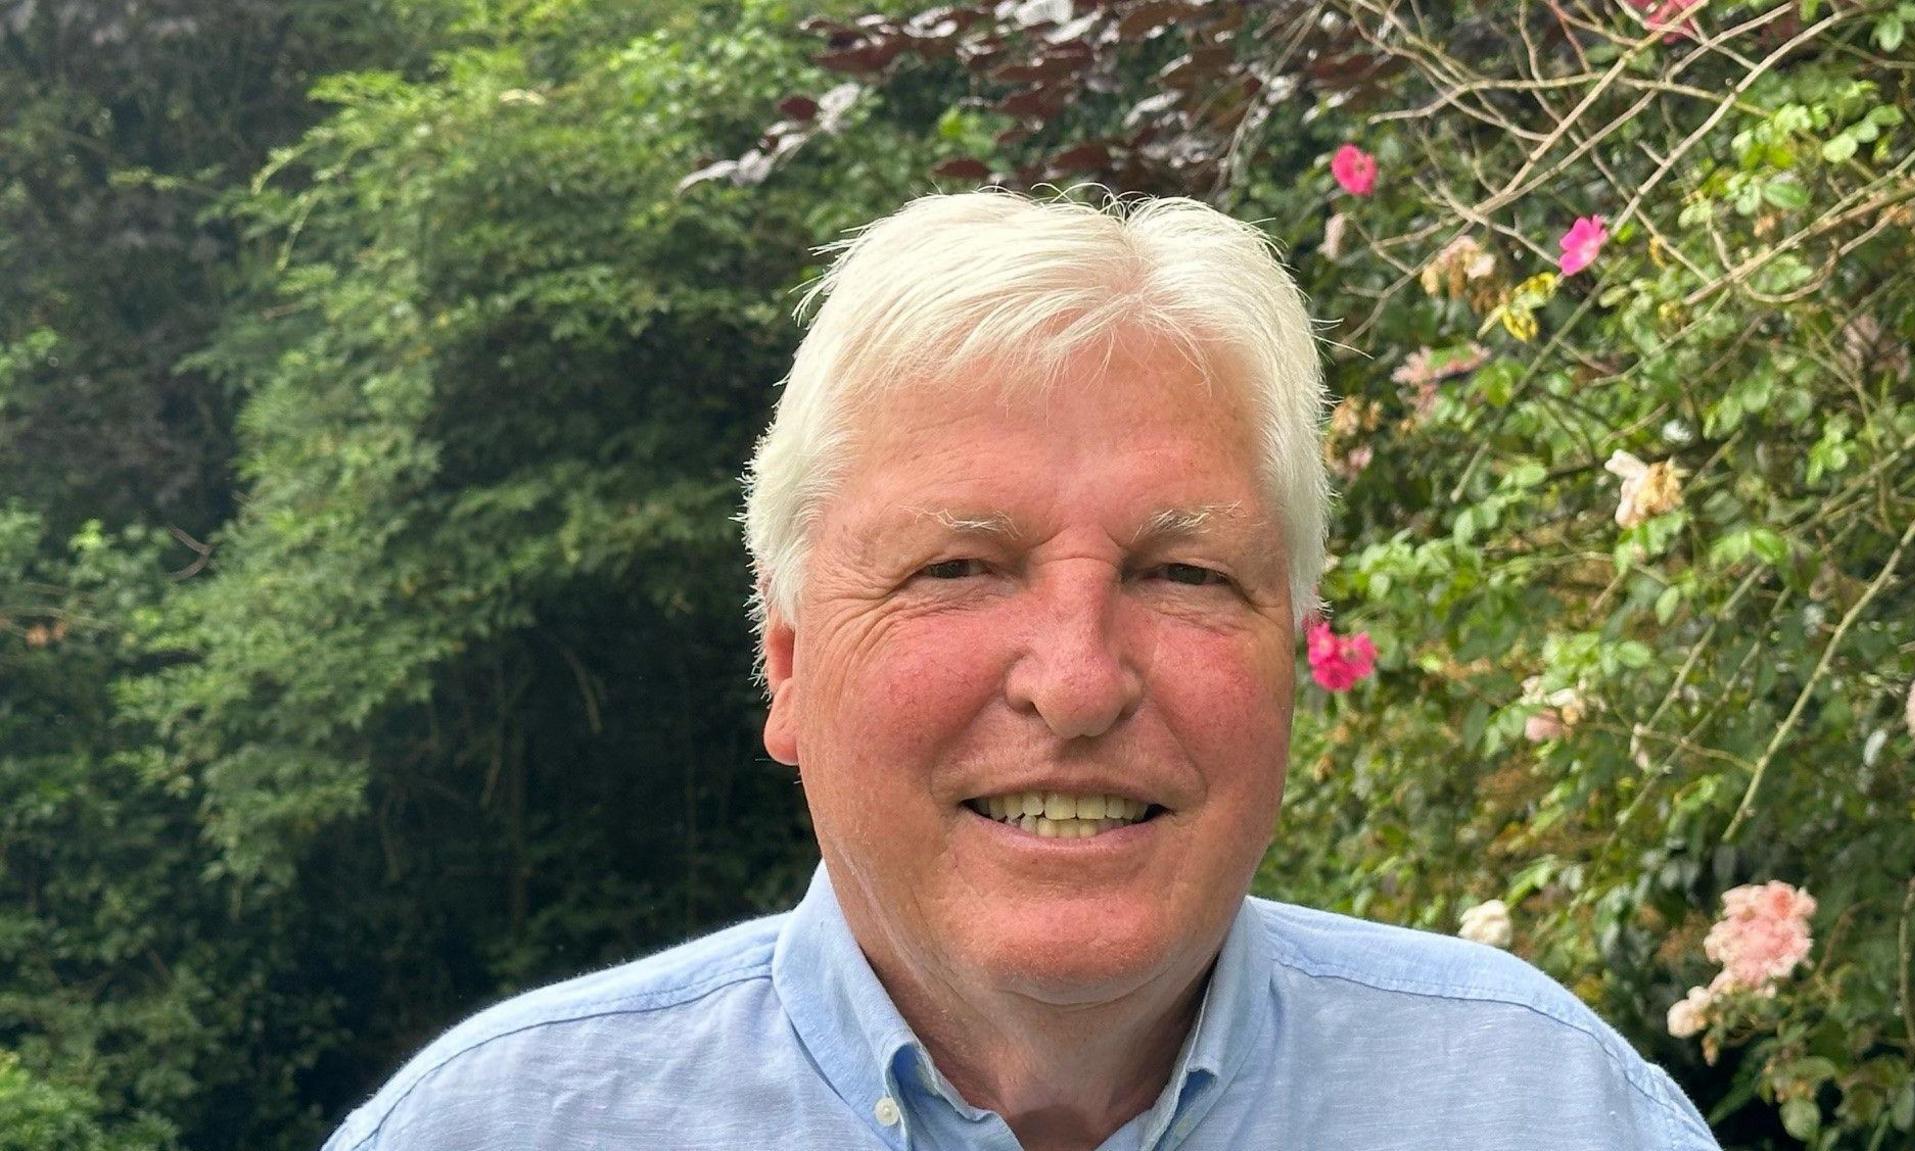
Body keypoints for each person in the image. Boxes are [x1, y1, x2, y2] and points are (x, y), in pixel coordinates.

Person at [321, 190, 1719, 1151]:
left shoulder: (1550, 1110)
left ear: (1292, 652)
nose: (1078, 680)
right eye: (958, 569)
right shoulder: (496, 1127)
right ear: (788, 659)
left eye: (1182, 574)